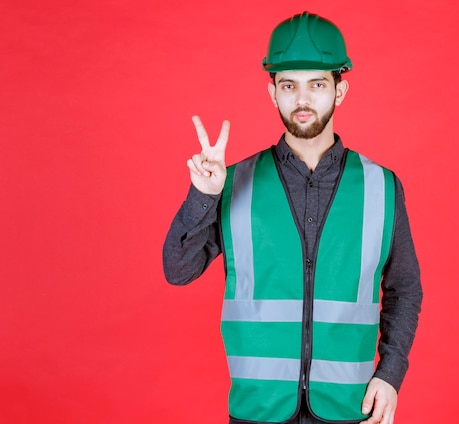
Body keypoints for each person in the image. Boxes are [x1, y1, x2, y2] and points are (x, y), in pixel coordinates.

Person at [163, 11, 422, 424]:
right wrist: (203, 195)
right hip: (257, 412)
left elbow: (405, 288)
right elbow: (177, 270)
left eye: (317, 84)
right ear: (273, 94)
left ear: (340, 90)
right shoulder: (232, 183)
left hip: (349, 410)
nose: (302, 100)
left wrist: (390, 374)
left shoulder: (383, 187)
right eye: (289, 85)